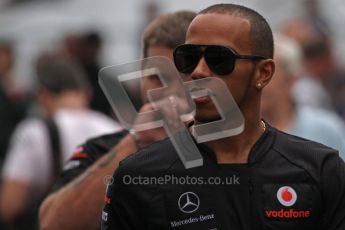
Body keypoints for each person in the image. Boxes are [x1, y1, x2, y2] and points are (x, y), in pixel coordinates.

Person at [102, 4, 345, 230]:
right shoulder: (139, 175)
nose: (198, 71)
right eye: (188, 58)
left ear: (263, 73)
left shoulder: (320, 170)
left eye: (219, 59)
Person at [39, 11, 196, 230]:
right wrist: (135, 142)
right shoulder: (99, 149)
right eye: (155, 77)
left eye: (182, 79)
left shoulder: (238, 149)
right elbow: (53, 225)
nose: (166, 93)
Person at [0, 57, 121, 230]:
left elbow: (10, 206)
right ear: (86, 91)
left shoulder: (34, 132)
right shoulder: (115, 130)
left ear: (43, 94)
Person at [261, 34, 345, 159]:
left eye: (266, 72)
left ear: (290, 79)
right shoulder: (237, 136)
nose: (257, 82)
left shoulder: (326, 128)